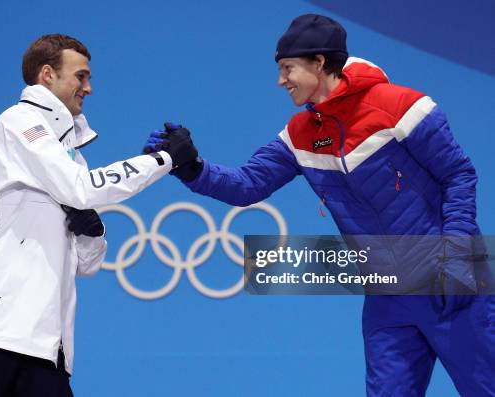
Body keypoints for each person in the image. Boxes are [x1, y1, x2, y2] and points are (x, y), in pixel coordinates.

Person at [144, 14, 494, 397]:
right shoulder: (300, 135)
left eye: (287, 68)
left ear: (319, 63)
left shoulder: (403, 107)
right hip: (387, 298)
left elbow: (459, 175)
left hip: (451, 282)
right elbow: (247, 185)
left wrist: (458, 256)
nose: (281, 81)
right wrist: (190, 166)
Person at [0, 34, 196, 396]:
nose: (89, 88)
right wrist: (163, 159)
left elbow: (87, 265)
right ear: (47, 76)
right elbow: (82, 189)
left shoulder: (70, 157)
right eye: (81, 76)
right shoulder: (18, 124)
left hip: (47, 352)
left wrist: (92, 233)